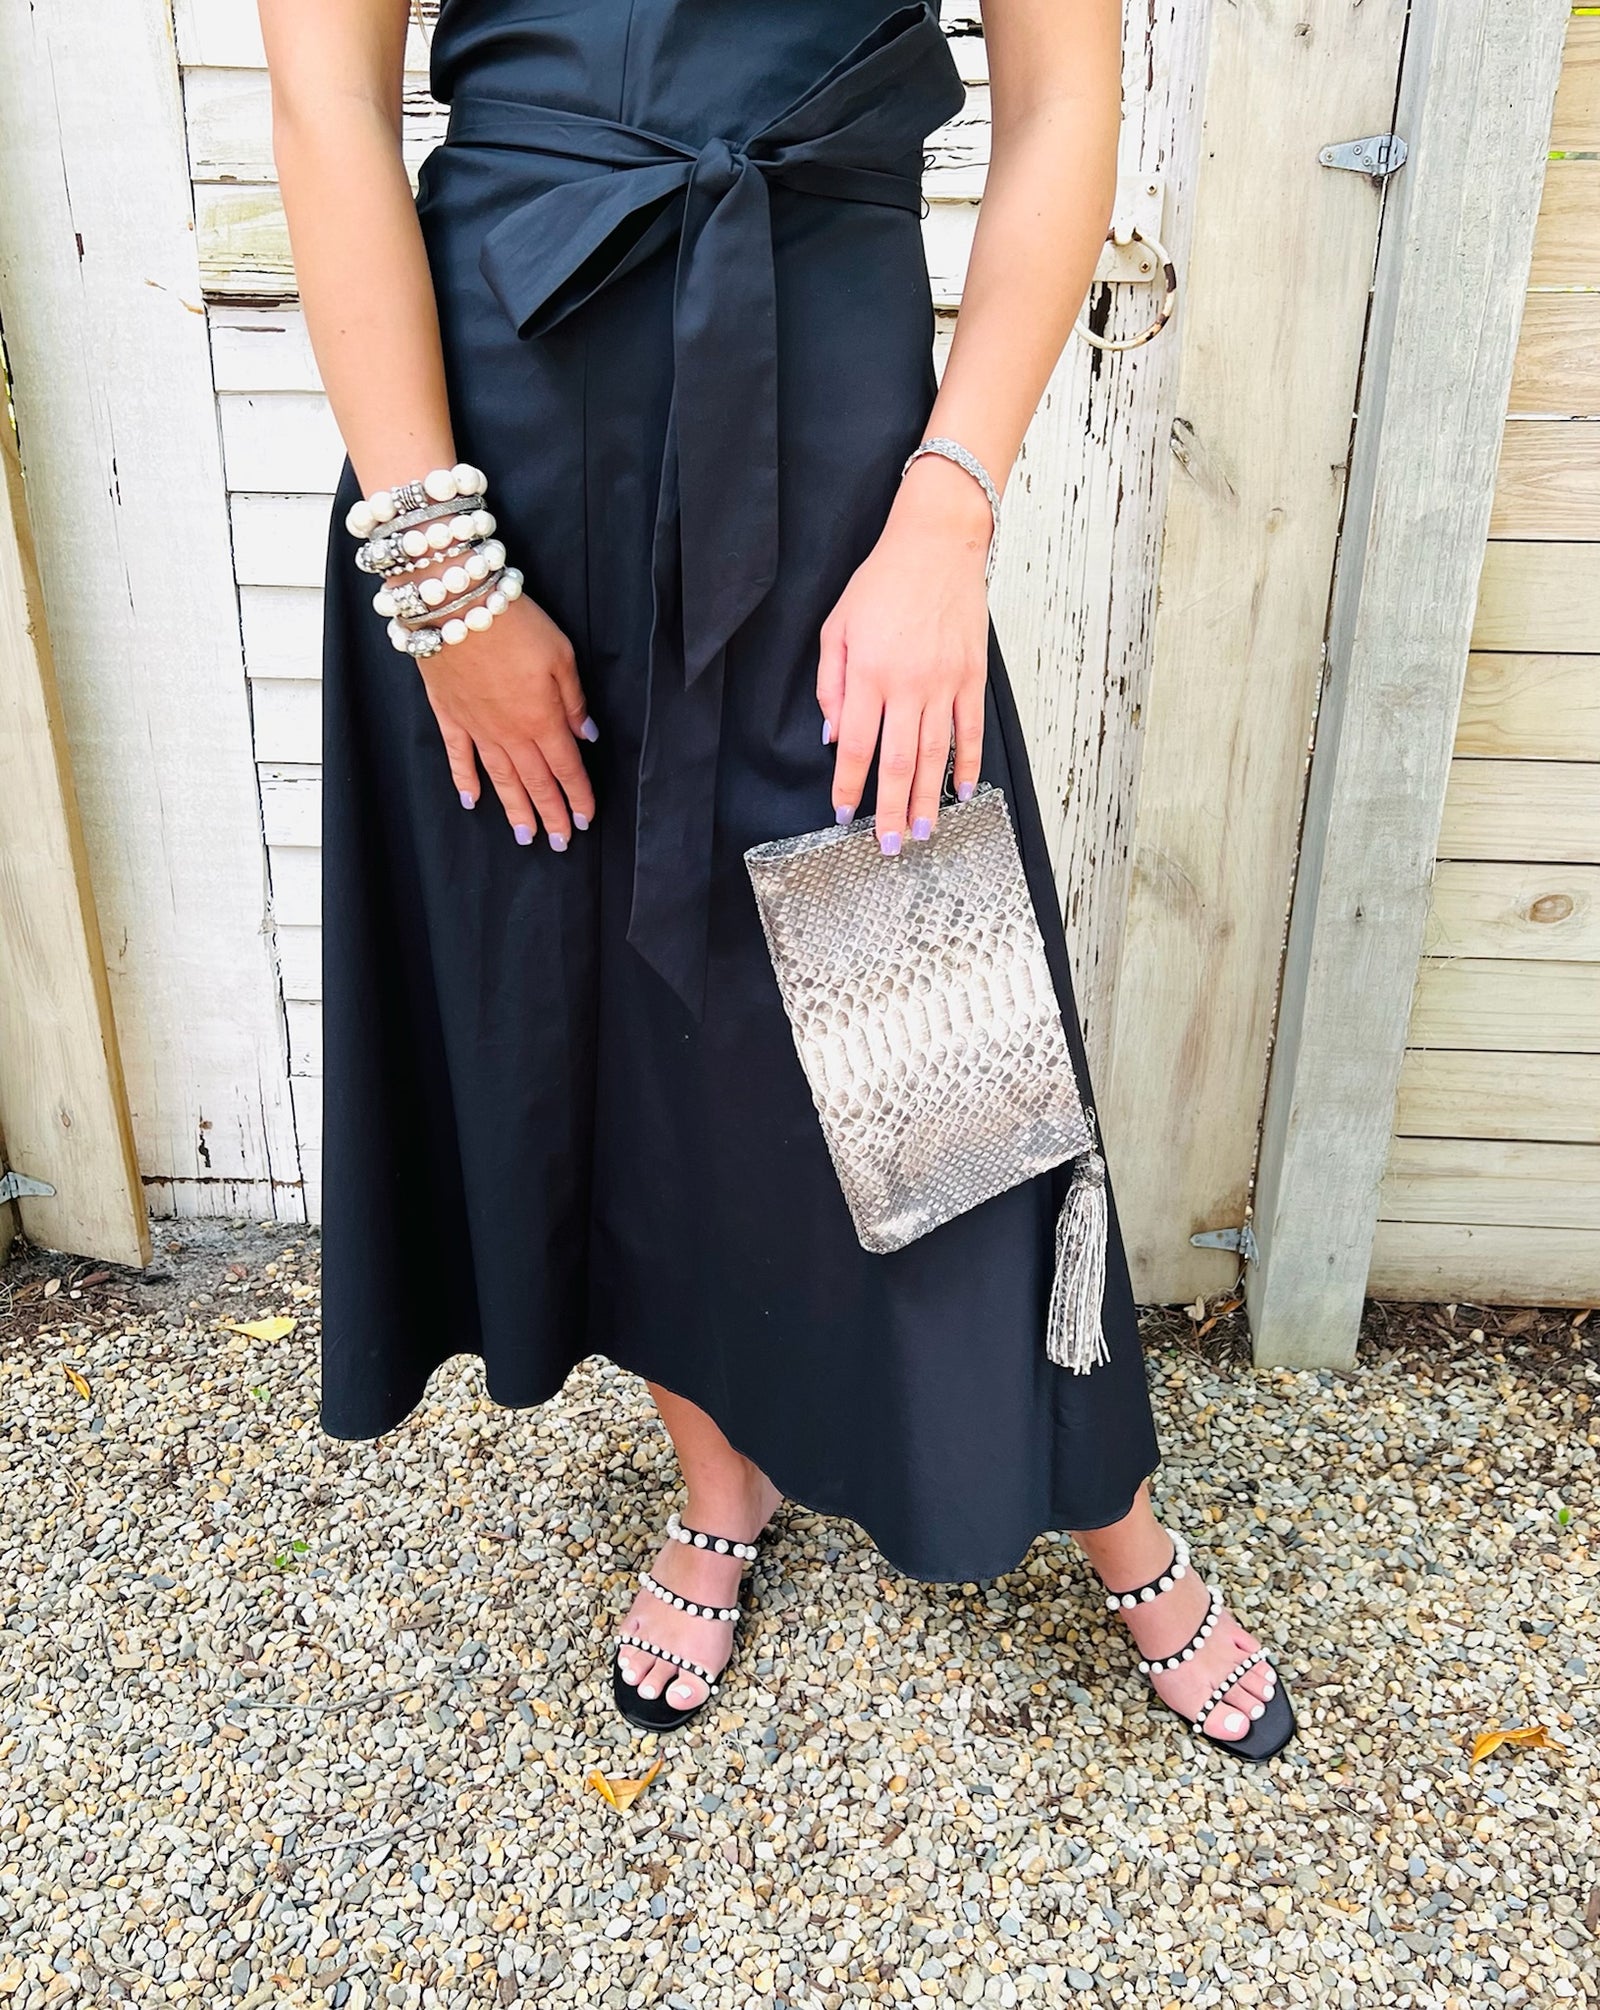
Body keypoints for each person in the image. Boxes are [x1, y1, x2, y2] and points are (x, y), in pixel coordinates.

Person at [261, 0, 1295, 1762]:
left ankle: (1112, 1509)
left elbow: (1064, 97)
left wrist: (947, 514)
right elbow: (323, 96)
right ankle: (715, 1479)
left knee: (928, 1005)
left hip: (836, 443)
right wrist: (440, 567)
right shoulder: (459, 541)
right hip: (495, 461)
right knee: (609, 1024)